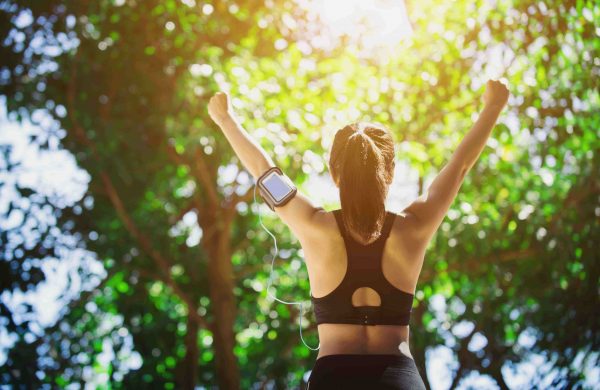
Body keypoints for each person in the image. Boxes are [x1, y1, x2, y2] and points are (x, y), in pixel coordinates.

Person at [208, 79, 510, 389]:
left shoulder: (314, 226)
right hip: (399, 379)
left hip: (333, 379)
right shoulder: (414, 227)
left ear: (335, 174)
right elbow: (459, 167)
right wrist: (493, 106)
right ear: (389, 171)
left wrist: (225, 119)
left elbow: (264, 171)